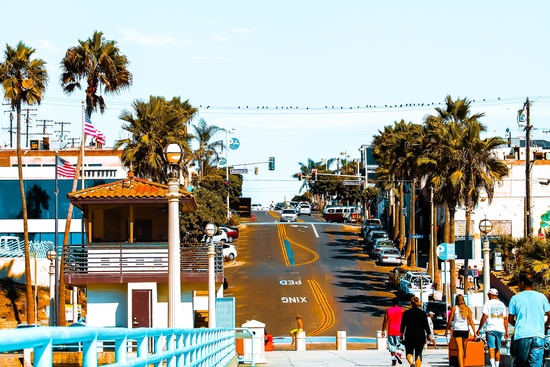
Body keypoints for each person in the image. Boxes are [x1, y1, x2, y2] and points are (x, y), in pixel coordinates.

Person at [507, 271, 550, 367]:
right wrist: (545, 326)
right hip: (538, 336)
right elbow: (549, 315)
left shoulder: (515, 298)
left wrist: (518, 325)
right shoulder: (541, 297)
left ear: (522, 283)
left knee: (521, 364)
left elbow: (510, 319)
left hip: (522, 336)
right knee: (535, 365)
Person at [476, 288, 508, 367]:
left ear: (490, 295)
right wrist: (506, 331)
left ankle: (493, 366)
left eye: (488, 294)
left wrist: (479, 328)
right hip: (500, 329)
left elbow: (484, 317)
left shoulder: (488, 303)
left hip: (490, 328)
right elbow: (505, 318)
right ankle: (496, 366)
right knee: (498, 348)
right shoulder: (502, 304)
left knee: (491, 347)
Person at [445, 294, 477, 367]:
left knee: (460, 350)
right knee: (464, 350)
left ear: (456, 300)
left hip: (457, 330)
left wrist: (446, 329)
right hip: (465, 330)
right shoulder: (467, 309)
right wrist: (474, 332)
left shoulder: (454, 308)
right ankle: (462, 365)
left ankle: (462, 365)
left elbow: (450, 320)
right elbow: (471, 321)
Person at [400, 296, 431, 367]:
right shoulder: (423, 313)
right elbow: (426, 325)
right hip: (420, 336)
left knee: (409, 352)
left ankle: (411, 363)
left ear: (411, 303)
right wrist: (429, 335)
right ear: (419, 303)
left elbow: (403, 325)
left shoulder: (406, 313)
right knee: (418, 353)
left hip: (409, 335)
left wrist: (401, 334)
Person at [382, 297, 404, 366]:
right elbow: (406, 320)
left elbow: (385, 320)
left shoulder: (388, 310)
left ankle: (393, 361)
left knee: (392, 346)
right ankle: (399, 354)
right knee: (400, 344)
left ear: (392, 303)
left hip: (391, 330)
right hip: (399, 331)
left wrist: (383, 330)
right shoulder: (402, 310)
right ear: (398, 303)